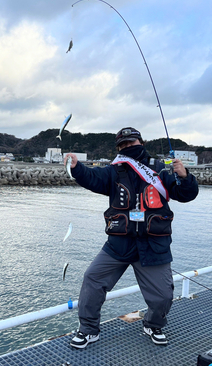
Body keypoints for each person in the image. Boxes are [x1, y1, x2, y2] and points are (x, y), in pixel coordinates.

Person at [64, 127, 199, 348]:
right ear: (119, 149)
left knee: (163, 295)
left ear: (141, 143)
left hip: (154, 244)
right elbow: (92, 178)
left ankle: (152, 324)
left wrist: (185, 177)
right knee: (92, 279)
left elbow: (186, 195)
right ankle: (88, 330)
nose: (128, 147)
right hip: (119, 244)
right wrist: (77, 168)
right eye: (123, 145)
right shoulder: (113, 171)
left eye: (131, 143)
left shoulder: (160, 170)